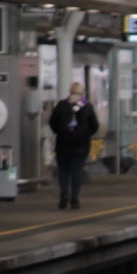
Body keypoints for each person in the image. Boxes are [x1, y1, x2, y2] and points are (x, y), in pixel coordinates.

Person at [48, 82, 99, 210]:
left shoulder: (62, 105)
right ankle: (75, 199)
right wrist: (86, 134)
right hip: (81, 145)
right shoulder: (87, 106)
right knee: (77, 171)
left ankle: (64, 193)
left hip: (63, 143)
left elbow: (52, 122)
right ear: (82, 92)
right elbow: (95, 125)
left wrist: (59, 132)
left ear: (70, 91)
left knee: (63, 170)